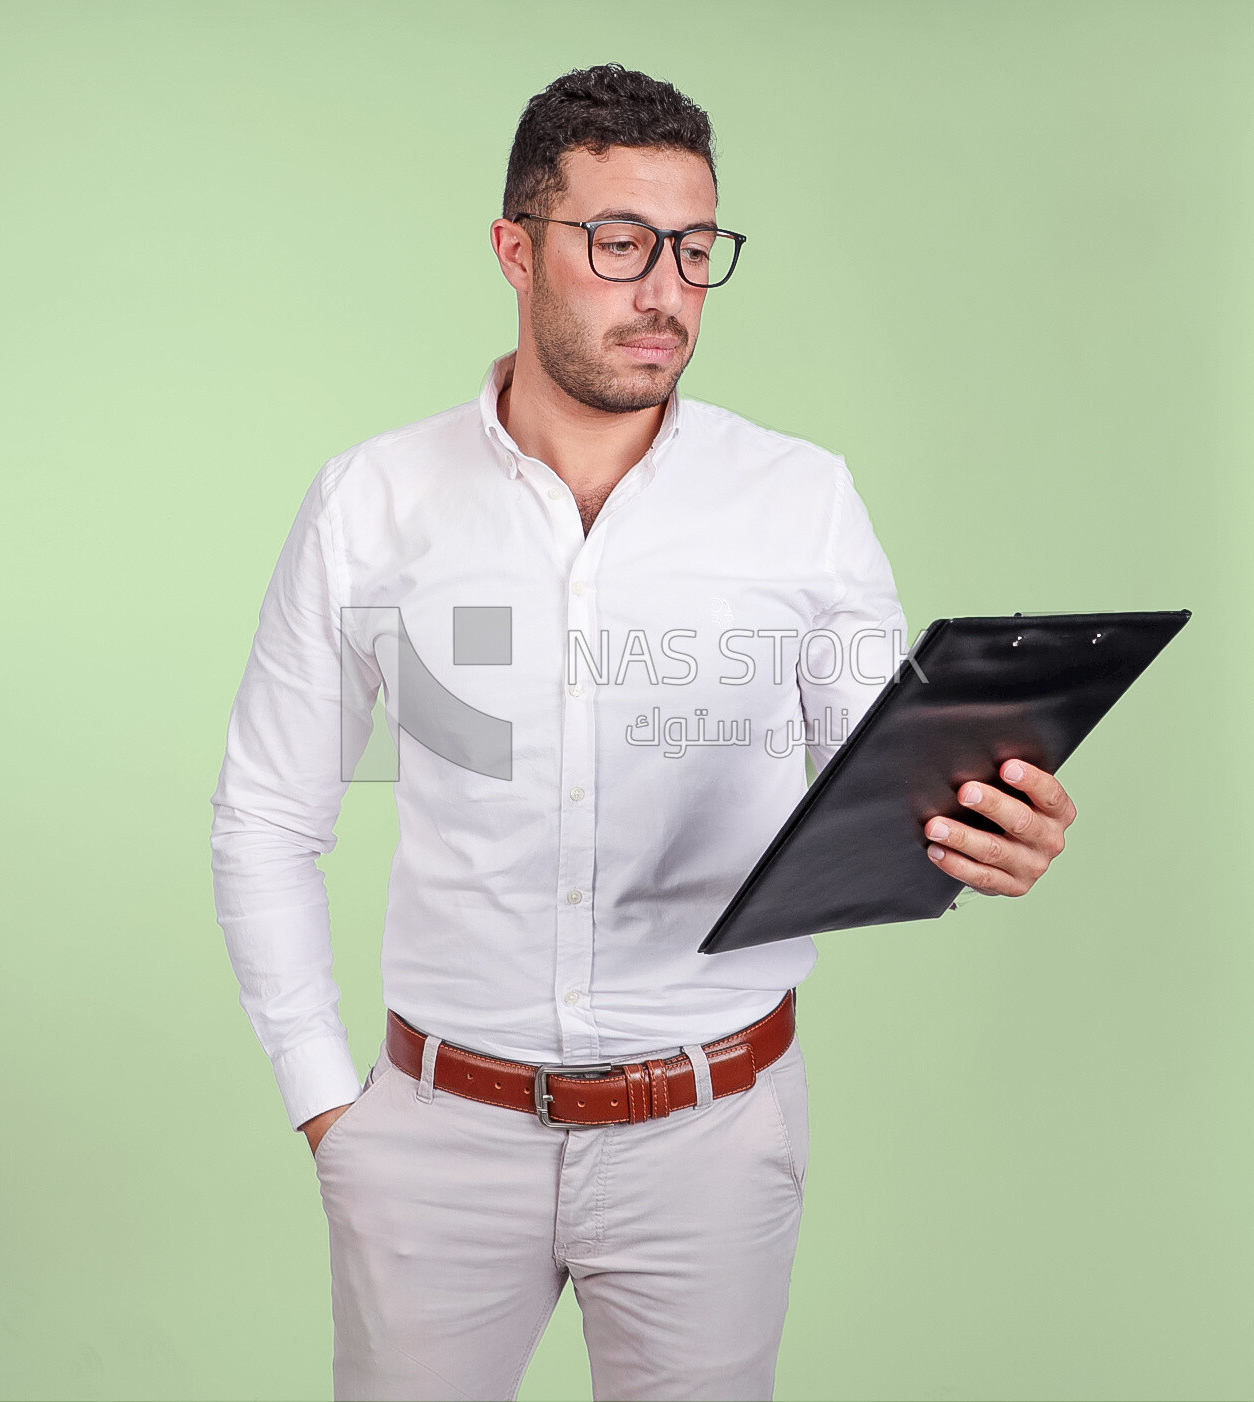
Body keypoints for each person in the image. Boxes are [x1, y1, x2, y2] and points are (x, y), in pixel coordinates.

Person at [210, 62, 1076, 1402]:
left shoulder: (800, 500)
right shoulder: (374, 505)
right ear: (516, 247)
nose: (664, 289)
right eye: (618, 243)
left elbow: (879, 772)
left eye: (692, 248)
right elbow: (267, 817)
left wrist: (979, 823)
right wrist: (329, 1103)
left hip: (713, 1138)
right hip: (434, 1141)